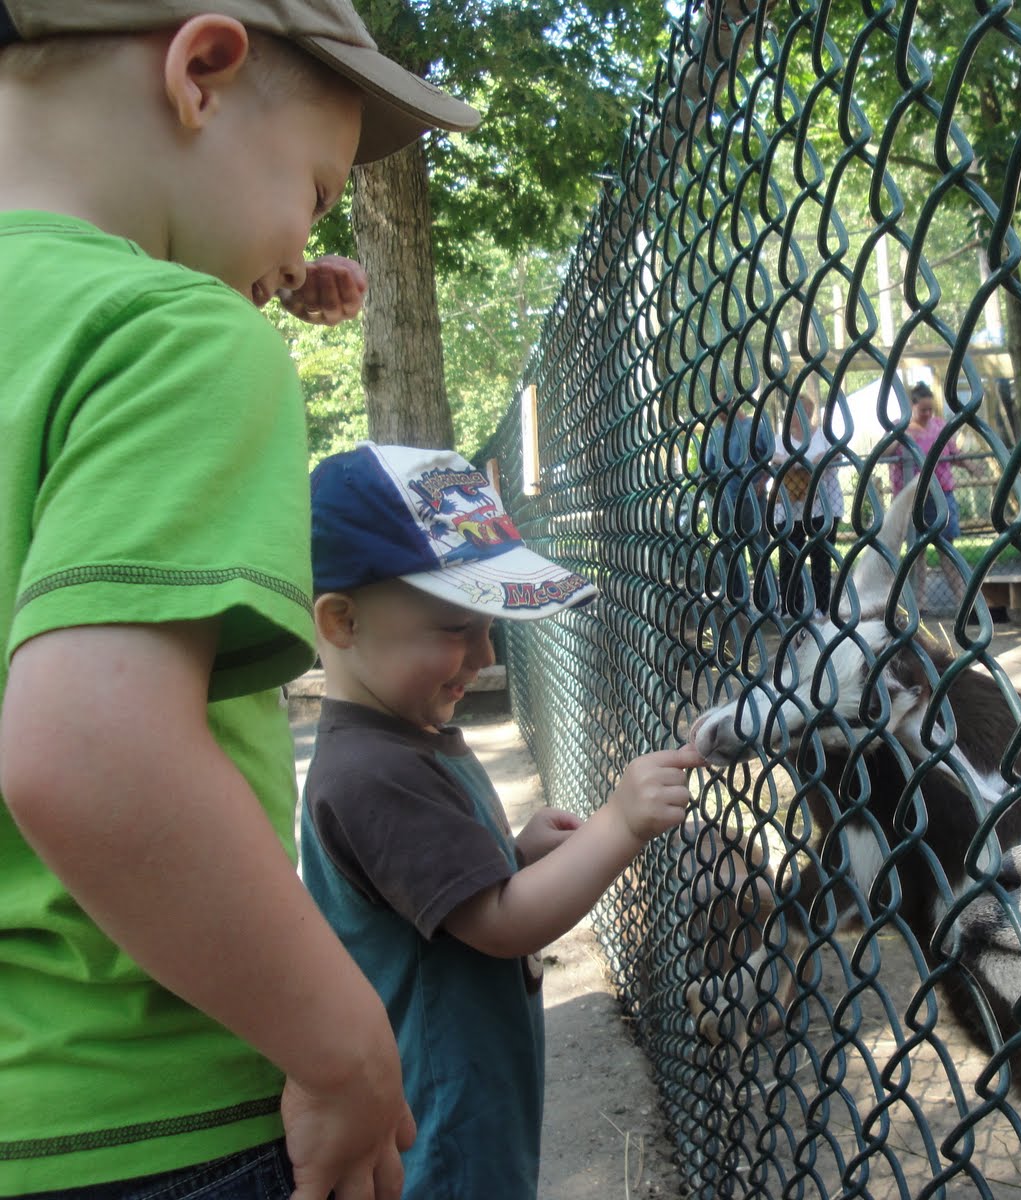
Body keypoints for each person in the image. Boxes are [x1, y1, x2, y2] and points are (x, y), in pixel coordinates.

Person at [0, 5, 479, 1198]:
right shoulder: (174, 337)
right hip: (148, 1110)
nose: (301, 247)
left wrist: (247, 256)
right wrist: (338, 1043)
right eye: (315, 194)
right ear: (202, 70)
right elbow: (91, 756)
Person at [299, 442, 703, 1199]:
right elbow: (499, 925)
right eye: (457, 626)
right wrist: (621, 824)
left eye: (491, 627)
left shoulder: (398, 740)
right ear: (342, 620)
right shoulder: (374, 772)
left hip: (463, 1084)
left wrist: (510, 855)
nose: (483, 655)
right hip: (443, 1117)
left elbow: (429, 904)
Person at [888, 380, 981, 610]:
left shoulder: (939, 426)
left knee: (946, 549)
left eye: (931, 409)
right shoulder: (900, 428)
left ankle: (963, 600)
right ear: (912, 406)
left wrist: (971, 467)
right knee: (915, 552)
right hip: (911, 498)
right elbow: (884, 453)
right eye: (923, 410)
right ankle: (918, 603)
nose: (928, 414)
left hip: (940, 495)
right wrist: (897, 437)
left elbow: (954, 453)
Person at [773, 393, 845, 618]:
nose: (792, 416)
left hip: (822, 506)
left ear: (808, 413)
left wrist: (819, 460)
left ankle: (821, 607)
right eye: (791, 411)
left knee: (820, 556)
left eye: (798, 411)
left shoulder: (823, 436)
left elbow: (837, 453)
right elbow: (774, 457)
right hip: (791, 509)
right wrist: (797, 463)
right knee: (789, 557)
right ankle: (790, 607)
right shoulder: (782, 438)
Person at [702, 394, 776, 612]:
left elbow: (770, 456)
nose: (720, 417)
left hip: (752, 496)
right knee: (729, 550)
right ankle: (737, 601)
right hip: (727, 498)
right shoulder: (717, 434)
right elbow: (710, 466)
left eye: (722, 411)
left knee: (758, 549)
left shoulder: (754, 426)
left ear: (734, 405)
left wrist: (762, 481)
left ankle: (766, 604)